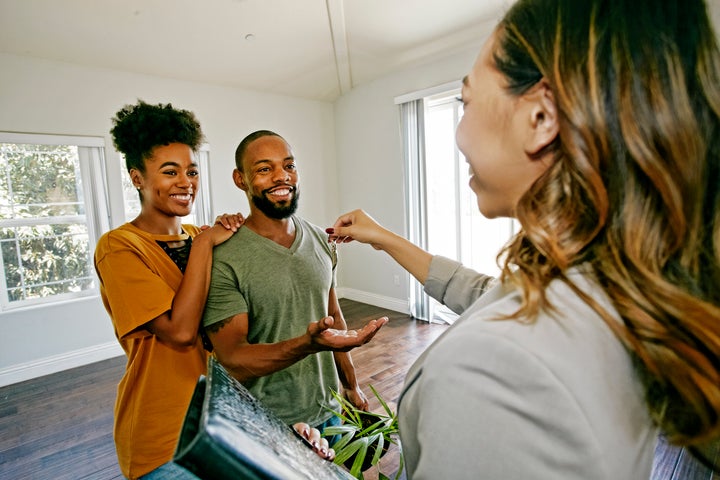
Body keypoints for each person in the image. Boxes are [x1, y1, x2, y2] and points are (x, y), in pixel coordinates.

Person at [324, 0, 720, 478]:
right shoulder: (606, 290)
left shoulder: (497, 374)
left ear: (540, 117)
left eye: (465, 102)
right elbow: (488, 295)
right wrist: (383, 237)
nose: (460, 131)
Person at [202, 130, 388, 440]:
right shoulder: (224, 257)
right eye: (264, 169)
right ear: (241, 179)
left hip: (330, 412)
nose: (281, 176)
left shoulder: (321, 240)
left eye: (289, 166)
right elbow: (233, 360)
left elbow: (334, 318)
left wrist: (351, 385)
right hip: (265, 425)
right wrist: (307, 345)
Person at [94, 100, 246, 479]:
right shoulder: (119, 247)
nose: (186, 182)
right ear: (137, 178)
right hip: (164, 437)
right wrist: (208, 245)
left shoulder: (199, 236)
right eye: (170, 171)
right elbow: (179, 332)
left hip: (222, 423)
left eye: (192, 171)